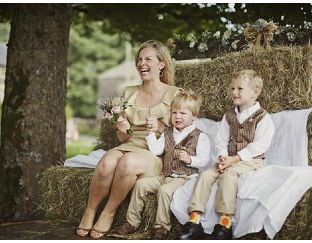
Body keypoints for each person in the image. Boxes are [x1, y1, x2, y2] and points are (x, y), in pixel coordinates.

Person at [76, 40, 183, 238]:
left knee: (127, 163)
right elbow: (124, 138)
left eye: (148, 59)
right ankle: (90, 210)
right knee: (107, 162)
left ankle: (109, 212)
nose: (142, 63)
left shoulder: (175, 94)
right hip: (132, 144)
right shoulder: (129, 92)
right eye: (139, 59)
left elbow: (184, 131)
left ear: (161, 64)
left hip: (157, 151)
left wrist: (161, 127)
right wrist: (123, 128)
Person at [179, 70, 275, 240]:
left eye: (239, 88)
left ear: (255, 92)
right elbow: (221, 140)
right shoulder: (229, 116)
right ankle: (194, 221)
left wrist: (235, 159)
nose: (234, 92)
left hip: (251, 161)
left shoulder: (262, 117)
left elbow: (260, 145)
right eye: (232, 88)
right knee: (206, 175)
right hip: (229, 159)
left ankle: (225, 224)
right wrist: (223, 157)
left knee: (229, 176)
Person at [110, 90, 211, 239]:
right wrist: (150, 133)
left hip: (184, 177)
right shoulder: (168, 133)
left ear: (194, 116)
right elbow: (157, 150)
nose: (177, 117)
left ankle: (161, 227)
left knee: (164, 191)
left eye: (183, 113)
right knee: (140, 184)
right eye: (174, 112)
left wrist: (190, 159)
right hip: (165, 174)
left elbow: (204, 160)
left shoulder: (200, 136)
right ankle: (131, 222)